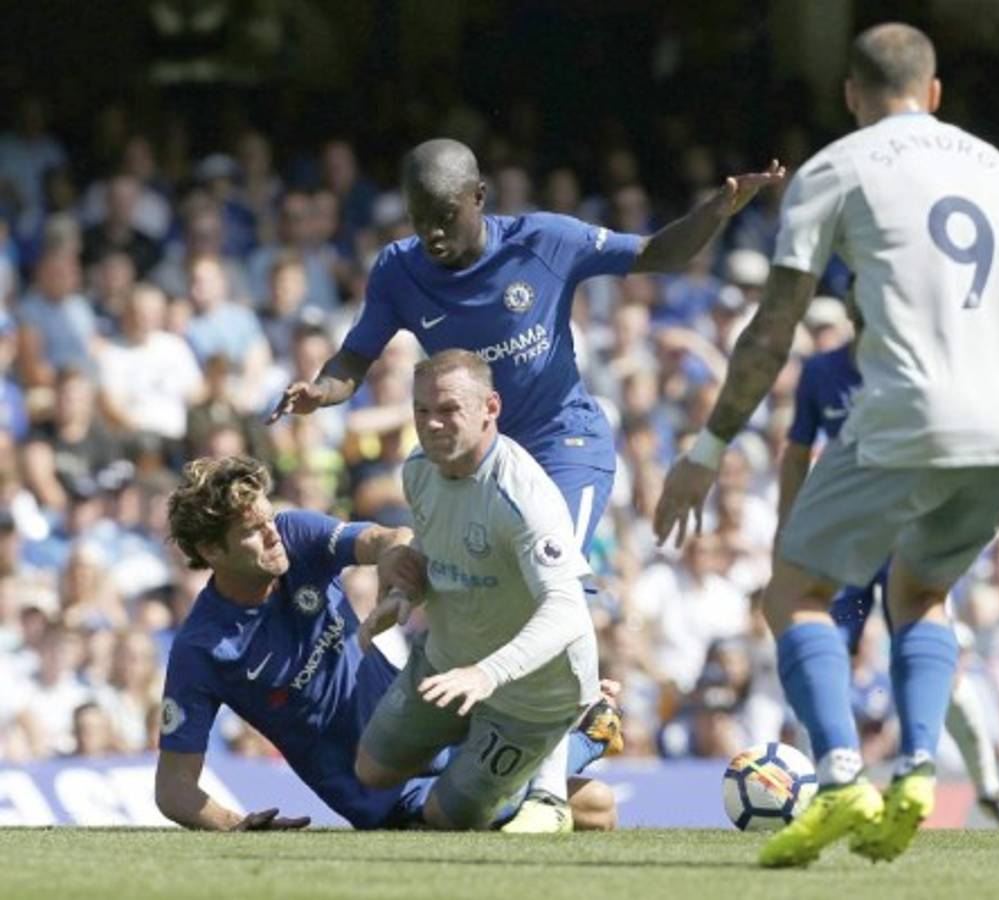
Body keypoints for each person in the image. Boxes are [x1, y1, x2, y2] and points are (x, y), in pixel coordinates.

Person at [653, 22, 999, 867]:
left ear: (850, 95)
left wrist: (708, 449)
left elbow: (772, 329)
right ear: (933, 93)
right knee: (922, 594)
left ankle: (837, 777)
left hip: (908, 411)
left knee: (790, 592)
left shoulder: (836, 167)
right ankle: (916, 770)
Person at [269, 136, 782, 819]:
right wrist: (321, 392)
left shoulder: (545, 241)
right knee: (468, 598)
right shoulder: (398, 270)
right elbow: (355, 356)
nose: (432, 232)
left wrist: (715, 211)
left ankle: (569, 735)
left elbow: (655, 253)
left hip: (562, 446)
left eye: (445, 215)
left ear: (479, 199)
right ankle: (531, 744)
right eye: (419, 216)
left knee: (551, 585)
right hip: (472, 459)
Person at [154, 454, 618, 832]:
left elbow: (389, 536)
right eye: (252, 532)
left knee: (597, 806)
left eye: (267, 517)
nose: (271, 533)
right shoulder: (204, 647)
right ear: (212, 551)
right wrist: (235, 824)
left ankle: (577, 735)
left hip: (429, 727)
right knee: (580, 806)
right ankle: (585, 736)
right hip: (380, 793)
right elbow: (174, 787)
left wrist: (393, 574)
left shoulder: (294, 537)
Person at [778, 301, 999, 829]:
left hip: (909, 544)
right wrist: (790, 532)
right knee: (822, 654)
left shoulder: (918, 368)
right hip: (846, 547)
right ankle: (831, 784)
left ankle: (989, 787)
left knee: (942, 661)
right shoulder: (822, 372)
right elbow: (796, 452)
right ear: (855, 316)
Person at [353, 350, 602, 833]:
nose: (432, 424)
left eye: (448, 410)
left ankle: (576, 738)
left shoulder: (523, 496)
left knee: (446, 816)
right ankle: (494, 763)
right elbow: (435, 546)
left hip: (531, 690)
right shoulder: (419, 469)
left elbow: (569, 610)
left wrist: (488, 675)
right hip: (450, 663)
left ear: (491, 407)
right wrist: (406, 591)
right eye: (421, 411)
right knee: (372, 770)